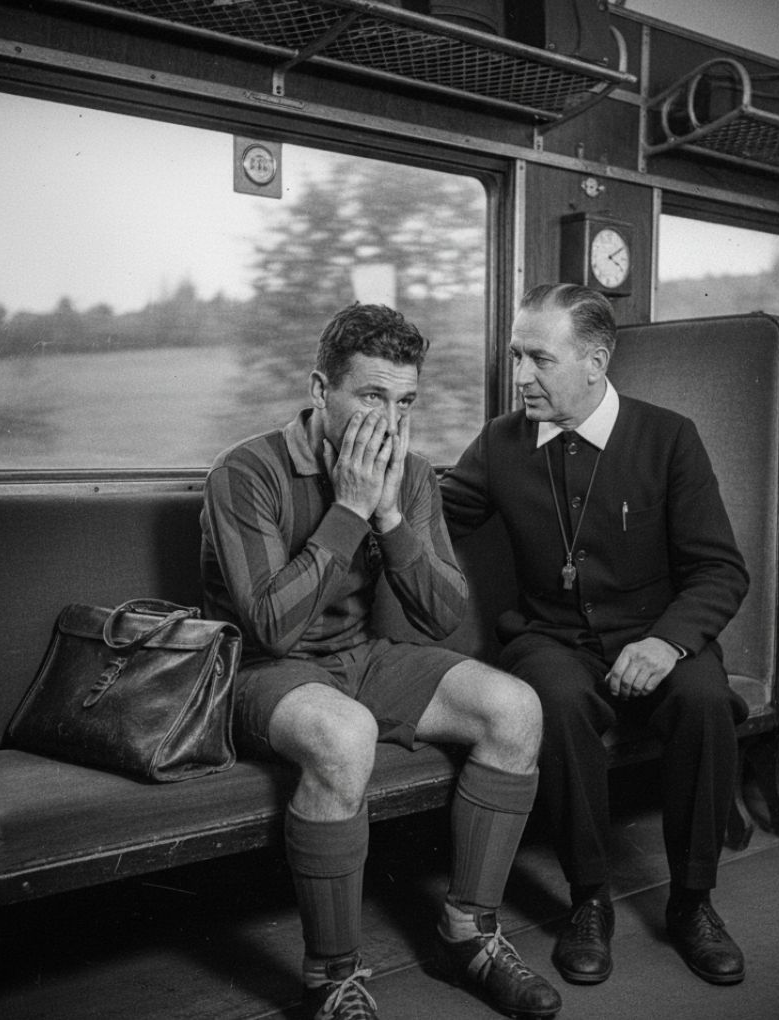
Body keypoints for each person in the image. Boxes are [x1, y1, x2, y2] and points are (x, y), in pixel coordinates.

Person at [200, 303, 561, 1020]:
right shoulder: (245, 472)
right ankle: (331, 978)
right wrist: (351, 508)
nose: (390, 421)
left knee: (515, 709)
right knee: (345, 734)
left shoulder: (413, 474)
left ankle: (468, 934)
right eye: (371, 396)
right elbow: (271, 626)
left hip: (359, 659)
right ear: (319, 390)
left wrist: (391, 517)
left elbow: (442, 615)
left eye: (405, 403)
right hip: (259, 674)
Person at [441, 284, 750, 988]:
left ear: (595, 360)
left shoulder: (669, 438)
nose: (520, 375)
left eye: (538, 358)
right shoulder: (499, 442)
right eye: (516, 355)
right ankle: (589, 899)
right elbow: (436, 519)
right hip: (550, 639)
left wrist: (668, 643)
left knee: (704, 702)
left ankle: (693, 901)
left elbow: (719, 570)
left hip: (657, 636)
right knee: (554, 698)